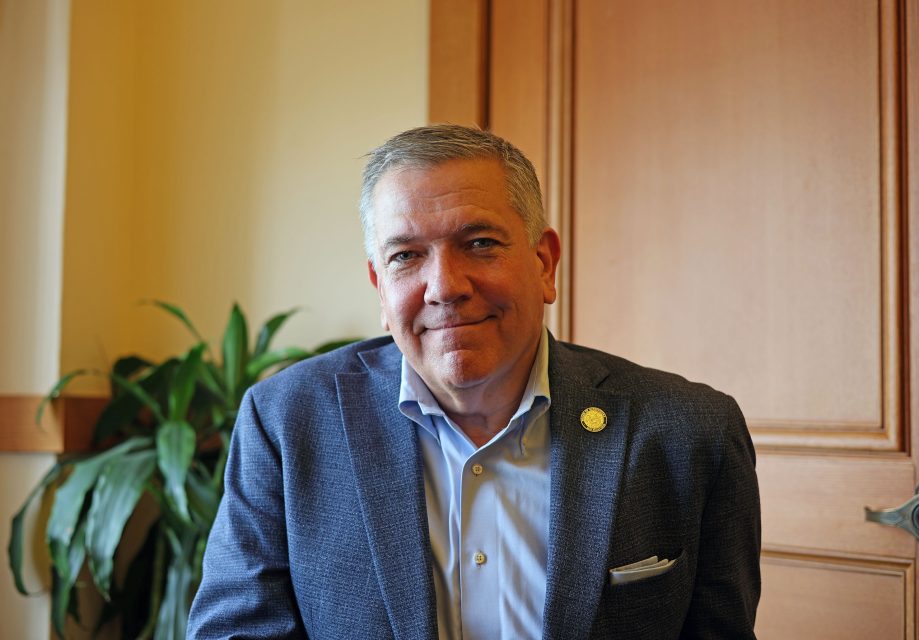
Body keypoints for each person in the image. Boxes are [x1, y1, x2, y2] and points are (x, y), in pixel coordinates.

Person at [187, 125, 761, 639]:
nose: (445, 286)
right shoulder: (286, 423)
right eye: (406, 256)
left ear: (544, 263)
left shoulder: (690, 433)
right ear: (379, 290)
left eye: (480, 243)